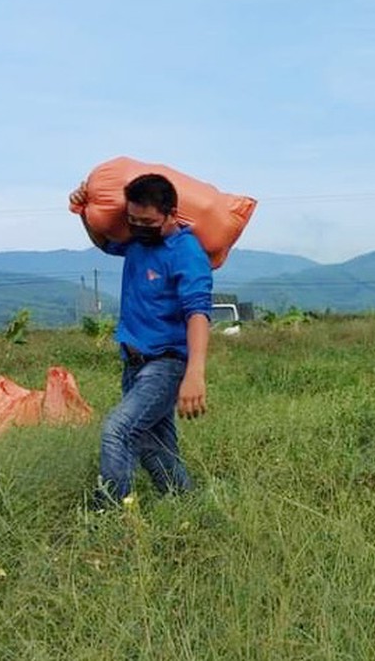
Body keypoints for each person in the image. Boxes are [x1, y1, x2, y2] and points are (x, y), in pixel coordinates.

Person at [69, 173, 213, 510]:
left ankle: (108, 517)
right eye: (133, 220)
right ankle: (188, 507)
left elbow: (198, 313)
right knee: (152, 446)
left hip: (166, 364)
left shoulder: (186, 253)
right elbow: (105, 242)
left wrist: (195, 373)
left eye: (147, 221)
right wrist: (84, 213)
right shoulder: (137, 241)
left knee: (117, 431)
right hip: (133, 363)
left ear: (171, 214)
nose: (138, 227)